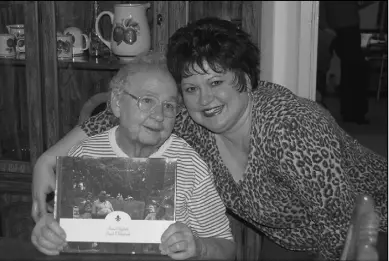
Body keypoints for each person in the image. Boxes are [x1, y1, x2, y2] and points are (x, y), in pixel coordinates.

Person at [31, 17, 387, 260]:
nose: (205, 100)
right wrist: (48, 159)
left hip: (372, 229)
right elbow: (123, 114)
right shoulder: (191, 120)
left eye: (216, 82)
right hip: (290, 238)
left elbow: (345, 228)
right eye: (191, 88)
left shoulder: (291, 128)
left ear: (245, 78)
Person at [31, 52, 235, 260]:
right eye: (147, 100)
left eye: (169, 106)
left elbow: (226, 247)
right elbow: (62, 230)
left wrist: (199, 247)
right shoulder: (84, 155)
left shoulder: (190, 165)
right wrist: (47, 233)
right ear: (117, 103)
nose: (158, 115)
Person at [319, 1, 377, 124]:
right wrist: (324, 26)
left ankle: (353, 112)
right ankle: (352, 112)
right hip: (336, 27)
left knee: (354, 68)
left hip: (346, 26)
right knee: (352, 68)